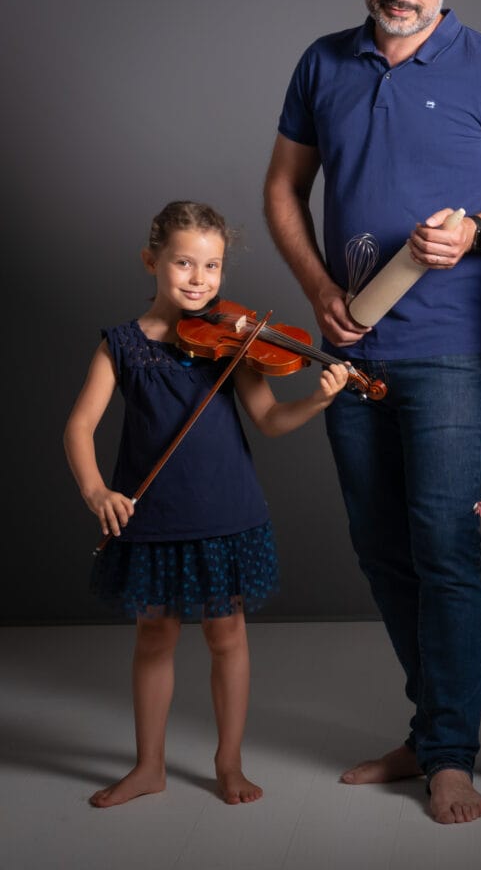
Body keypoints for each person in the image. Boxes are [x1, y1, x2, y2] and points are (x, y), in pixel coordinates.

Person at [262, 0, 481, 824]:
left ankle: (450, 757)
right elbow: (281, 191)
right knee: (379, 544)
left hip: (451, 349)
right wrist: (316, 290)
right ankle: (433, 726)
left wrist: (475, 231)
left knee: (442, 545)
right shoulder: (323, 62)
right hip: (348, 348)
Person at [64, 201, 350, 808]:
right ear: (152, 262)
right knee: (154, 639)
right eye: (184, 264)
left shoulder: (233, 342)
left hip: (226, 513)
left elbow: (270, 420)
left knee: (228, 639)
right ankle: (149, 766)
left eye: (212, 266)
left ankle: (229, 764)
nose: (200, 280)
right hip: (153, 517)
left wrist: (319, 402)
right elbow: (79, 429)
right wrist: (97, 491)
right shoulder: (121, 345)